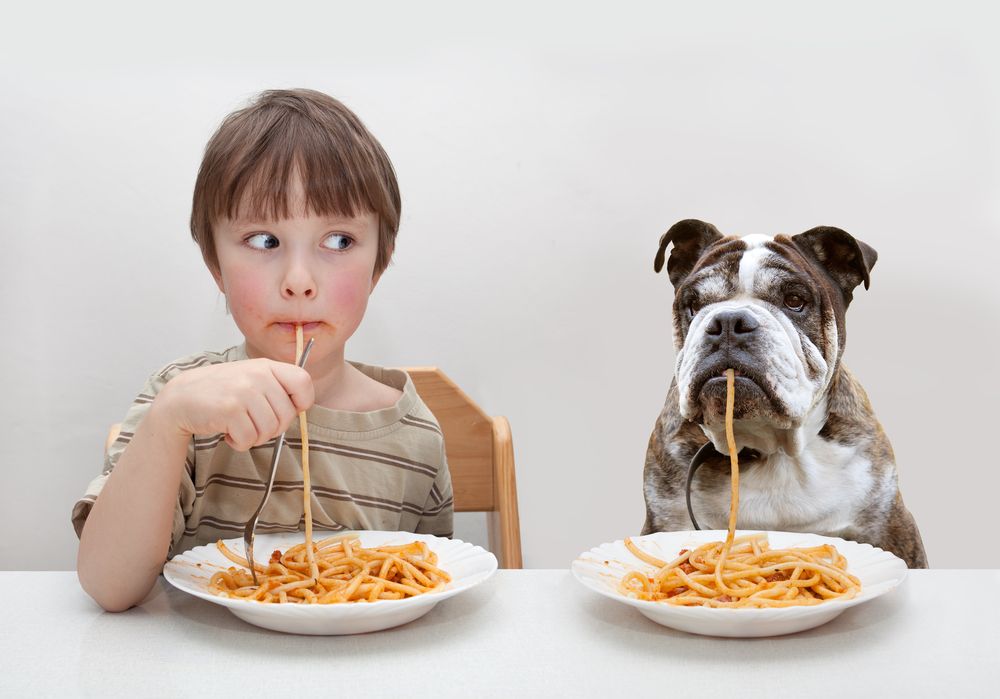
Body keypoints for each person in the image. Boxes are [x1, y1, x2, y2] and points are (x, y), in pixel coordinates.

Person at [73, 89, 453, 612]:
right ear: (216, 267)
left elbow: (431, 587)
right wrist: (169, 420)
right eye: (264, 241)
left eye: (339, 241)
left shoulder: (415, 436)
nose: (298, 281)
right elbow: (108, 587)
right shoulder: (179, 401)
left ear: (378, 265)